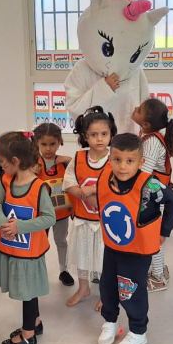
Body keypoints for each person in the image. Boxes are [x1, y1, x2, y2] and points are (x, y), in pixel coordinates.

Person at [96, 133, 173, 344]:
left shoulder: (149, 185)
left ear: (141, 162)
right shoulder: (105, 178)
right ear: (110, 158)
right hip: (113, 245)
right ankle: (110, 321)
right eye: (117, 160)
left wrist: (164, 231)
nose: (122, 166)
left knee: (130, 288)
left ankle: (138, 331)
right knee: (107, 284)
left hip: (138, 249)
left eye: (130, 161)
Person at [0, 132, 56, 344]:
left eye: (2, 162)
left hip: (29, 254)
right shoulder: (6, 181)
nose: (0, 166)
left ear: (15, 161)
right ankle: (35, 323)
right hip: (13, 249)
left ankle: (28, 336)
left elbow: (49, 218)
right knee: (28, 290)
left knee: (27, 292)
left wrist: (19, 227)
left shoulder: (39, 188)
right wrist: (2, 223)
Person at [63, 106, 116, 308]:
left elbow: (118, 186)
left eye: (104, 134)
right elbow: (68, 182)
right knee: (82, 255)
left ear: (111, 134)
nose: (99, 139)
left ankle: (106, 293)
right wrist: (81, 192)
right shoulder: (78, 158)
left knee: (104, 259)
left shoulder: (114, 158)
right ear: (85, 136)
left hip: (106, 223)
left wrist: (94, 189)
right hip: (83, 220)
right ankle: (83, 288)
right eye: (94, 135)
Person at [131, 97, 173, 292]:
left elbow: (145, 174)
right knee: (153, 236)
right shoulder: (149, 136)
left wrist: (136, 196)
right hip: (154, 194)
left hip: (153, 197)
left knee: (154, 238)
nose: (135, 108)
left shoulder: (151, 141)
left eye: (139, 109)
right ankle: (158, 270)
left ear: (145, 123)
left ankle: (158, 277)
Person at [33, 122, 74, 287]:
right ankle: (38, 271)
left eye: (52, 144)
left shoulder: (65, 163)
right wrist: (30, 173)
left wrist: (70, 160)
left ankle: (64, 270)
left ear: (59, 142)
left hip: (61, 213)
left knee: (61, 241)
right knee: (39, 242)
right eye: (44, 144)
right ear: (37, 143)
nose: (48, 148)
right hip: (40, 214)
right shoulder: (33, 164)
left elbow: (74, 182)